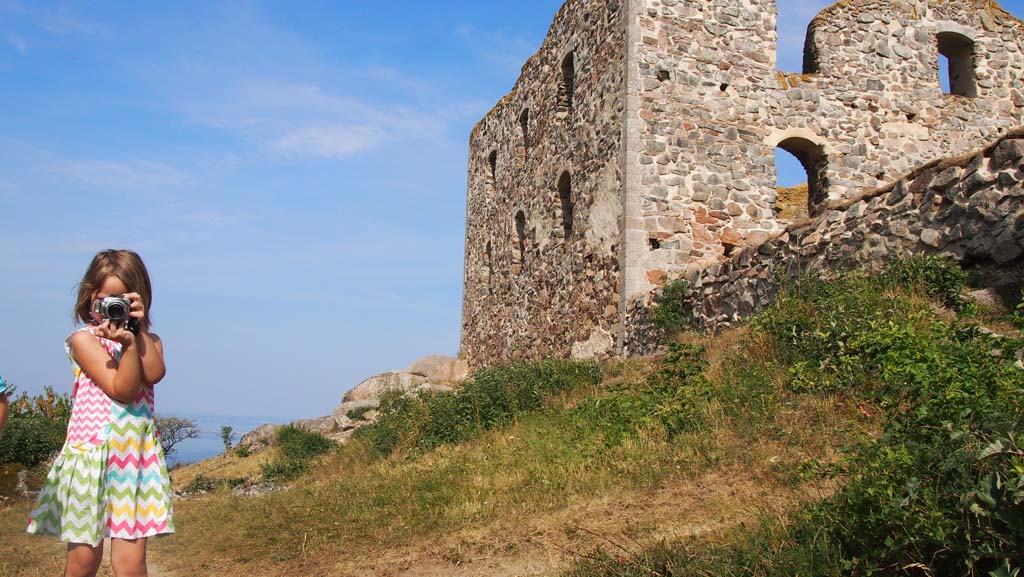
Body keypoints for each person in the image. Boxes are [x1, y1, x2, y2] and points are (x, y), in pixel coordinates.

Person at [27, 249, 173, 577]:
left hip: (133, 461)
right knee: (83, 561)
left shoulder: (148, 341)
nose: (114, 307)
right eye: (108, 298)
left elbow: (154, 373)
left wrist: (135, 336)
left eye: (123, 299)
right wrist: (128, 346)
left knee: (131, 564)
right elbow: (123, 388)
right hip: (91, 459)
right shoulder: (83, 341)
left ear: (140, 299)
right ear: (91, 297)